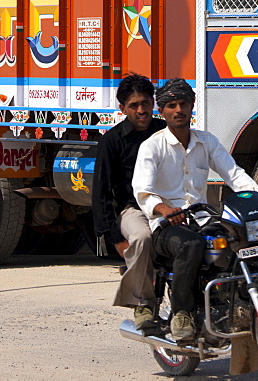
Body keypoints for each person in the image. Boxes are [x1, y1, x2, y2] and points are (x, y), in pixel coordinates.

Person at [132, 78, 258, 342]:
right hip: (167, 227)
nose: (178, 110)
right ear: (162, 111)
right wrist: (165, 209)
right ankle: (182, 313)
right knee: (190, 245)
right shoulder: (152, 147)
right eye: (172, 105)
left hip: (202, 218)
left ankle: (236, 303)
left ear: (192, 106)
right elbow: (142, 191)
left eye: (183, 104)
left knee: (240, 239)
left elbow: (233, 174)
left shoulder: (206, 141)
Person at [91, 74, 166, 335]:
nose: (141, 110)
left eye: (145, 103)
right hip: (131, 209)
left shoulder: (165, 133)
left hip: (167, 205)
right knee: (143, 238)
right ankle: (142, 304)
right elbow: (101, 192)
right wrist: (115, 238)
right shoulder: (112, 141)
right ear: (122, 108)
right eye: (133, 105)